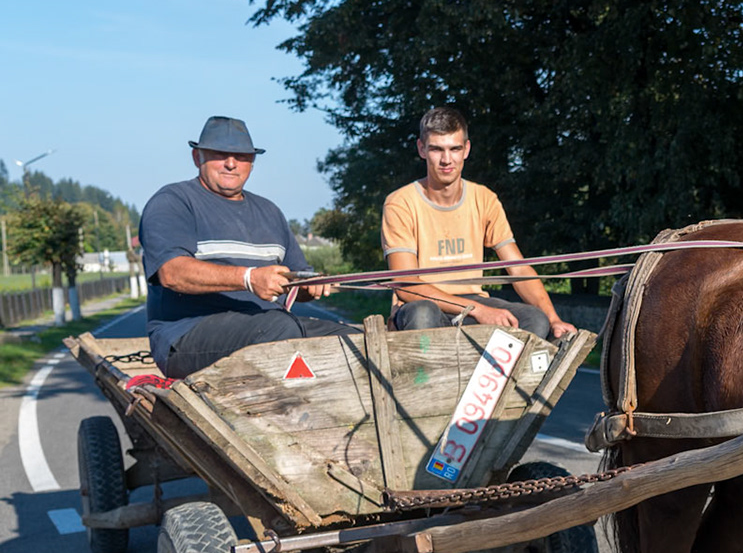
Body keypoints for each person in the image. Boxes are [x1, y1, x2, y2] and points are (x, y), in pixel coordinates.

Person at [141, 117, 355, 378]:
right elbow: (172, 273)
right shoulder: (173, 202)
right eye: (221, 154)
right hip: (187, 336)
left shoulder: (269, 212)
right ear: (197, 157)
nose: (231, 164)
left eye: (241, 156)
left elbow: (295, 282)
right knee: (279, 329)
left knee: (355, 342)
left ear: (252, 163)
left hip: (269, 326)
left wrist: (312, 285)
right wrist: (248, 279)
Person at [381, 107, 576, 341]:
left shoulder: (485, 199)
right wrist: (479, 310)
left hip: (472, 302)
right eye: (436, 149)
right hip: (421, 305)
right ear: (422, 149)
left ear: (467, 150)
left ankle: (491, 378)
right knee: (423, 313)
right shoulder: (400, 203)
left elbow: (518, 269)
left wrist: (553, 318)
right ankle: (425, 378)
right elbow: (406, 285)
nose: (446, 159)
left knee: (534, 319)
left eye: (455, 149)